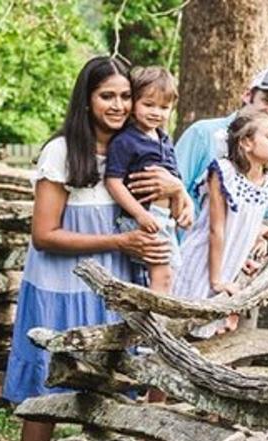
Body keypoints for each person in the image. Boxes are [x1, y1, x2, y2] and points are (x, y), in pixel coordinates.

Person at [4, 55, 186, 441]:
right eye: (108, 95)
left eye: (126, 95)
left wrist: (176, 189)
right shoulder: (63, 152)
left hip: (113, 292)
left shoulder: (136, 149)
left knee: (104, 395)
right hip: (59, 289)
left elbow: (160, 215)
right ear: (86, 100)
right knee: (43, 399)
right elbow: (45, 235)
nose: (119, 105)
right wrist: (118, 244)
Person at [173, 108, 268, 336]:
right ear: (246, 142)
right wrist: (217, 281)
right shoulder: (224, 172)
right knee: (185, 322)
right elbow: (217, 229)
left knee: (210, 332)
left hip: (230, 263)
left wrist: (243, 256)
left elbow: (246, 224)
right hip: (202, 260)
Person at [104, 66, 193, 294]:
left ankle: (157, 316)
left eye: (164, 107)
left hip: (163, 218)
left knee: (169, 273)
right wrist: (140, 214)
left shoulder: (163, 138)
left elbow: (175, 180)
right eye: (148, 104)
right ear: (133, 103)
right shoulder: (126, 141)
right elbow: (113, 182)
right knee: (162, 274)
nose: (156, 112)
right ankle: (156, 320)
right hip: (143, 215)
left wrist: (184, 207)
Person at [174, 68, 268, 221]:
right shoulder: (203, 134)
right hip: (191, 240)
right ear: (248, 95)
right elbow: (172, 188)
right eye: (267, 100)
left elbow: (261, 214)